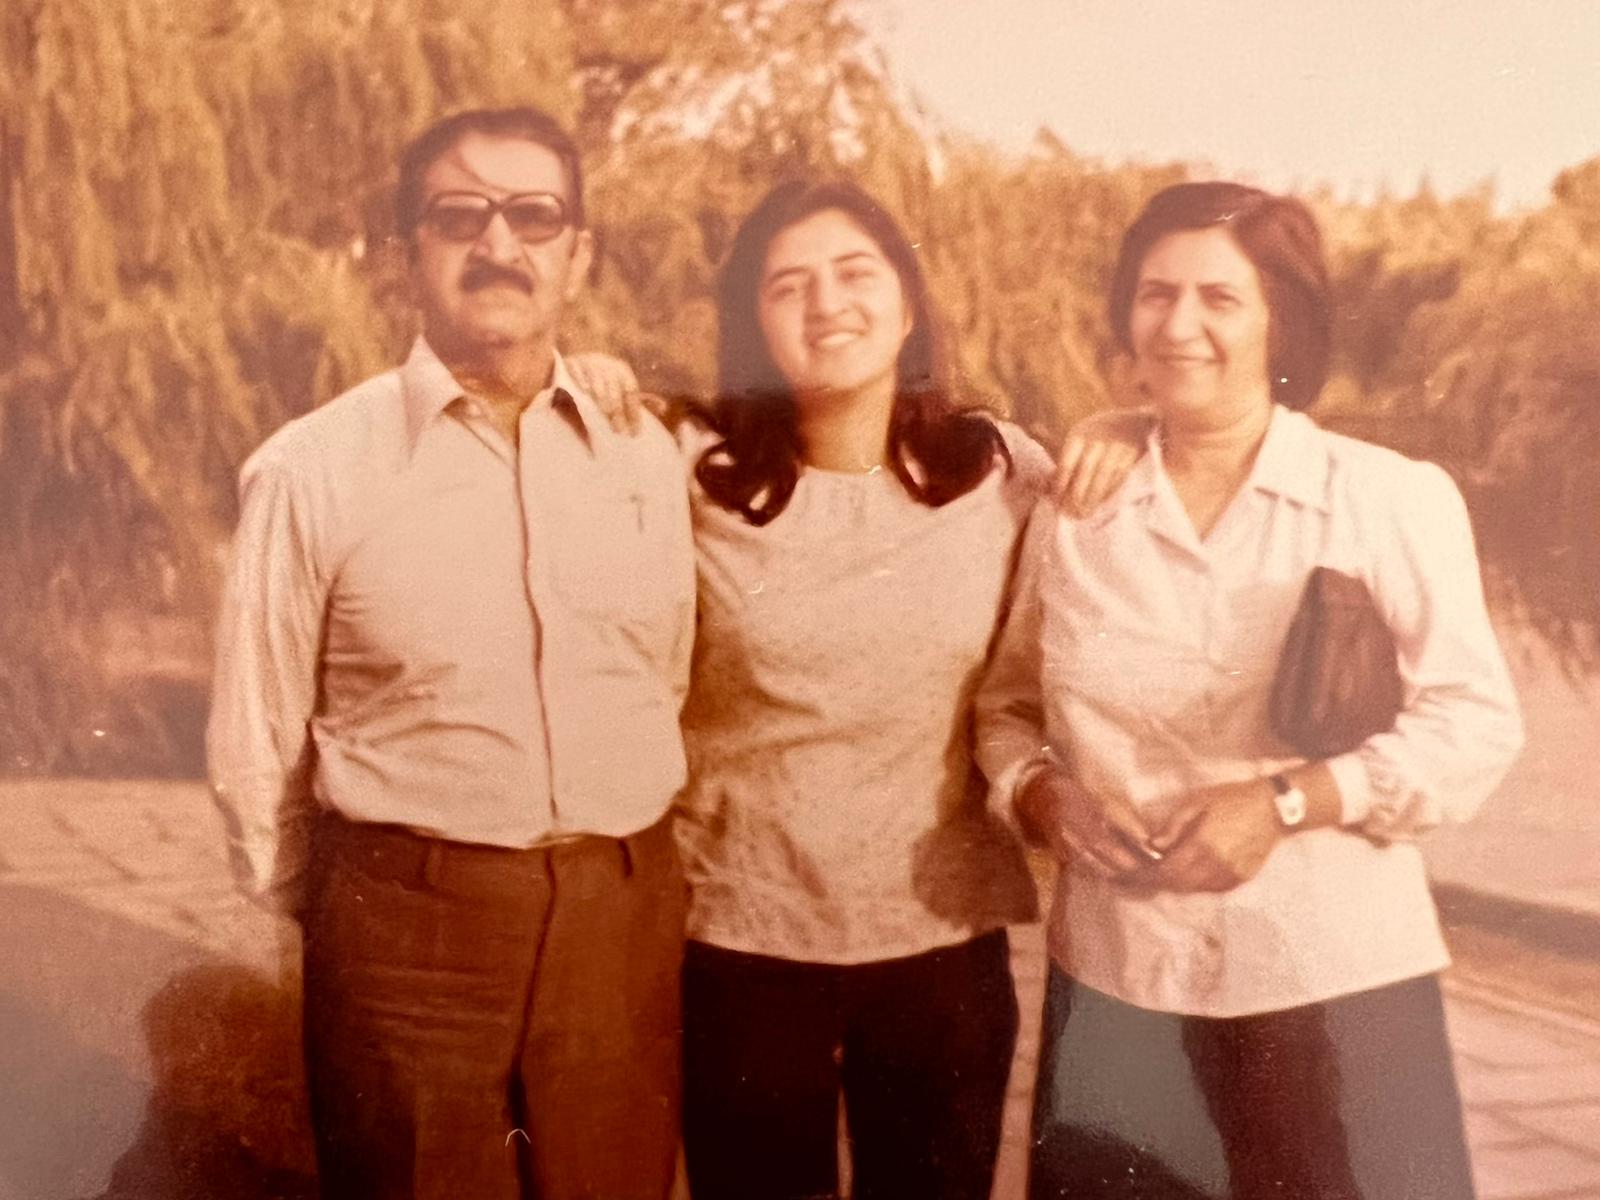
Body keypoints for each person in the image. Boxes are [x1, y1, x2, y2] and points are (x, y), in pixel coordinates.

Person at [977, 181, 1524, 1199]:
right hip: (1118, 993)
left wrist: (1286, 803)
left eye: (1218, 299)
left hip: (1334, 994)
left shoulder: (1385, 498)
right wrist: (1039, 795)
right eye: (1154, 294)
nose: (1178, 325)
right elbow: (1005, 709)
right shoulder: (1075, 513)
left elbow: (1474, 723)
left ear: (1283, 318)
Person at [205, 106, 695, 1200]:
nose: (498, 245)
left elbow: (662, 672)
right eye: (457, 216)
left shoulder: (643, 455)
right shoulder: (312, 468)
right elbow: (256, 730)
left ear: (580, 251)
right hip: (402, 939)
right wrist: (347, 919)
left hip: (617, 926)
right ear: (403, 254)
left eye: (533, 215)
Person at [629, 178, 1050, 1200]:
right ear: (752, 326)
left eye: (856, 274)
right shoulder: (685, 469)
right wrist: (597, 375)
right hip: (738, 943)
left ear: (907, 308)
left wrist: (1125, 432)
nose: (827, 305)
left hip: (940, 945)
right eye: (789, 286)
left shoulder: (1000, 470)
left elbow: (1029, 678)